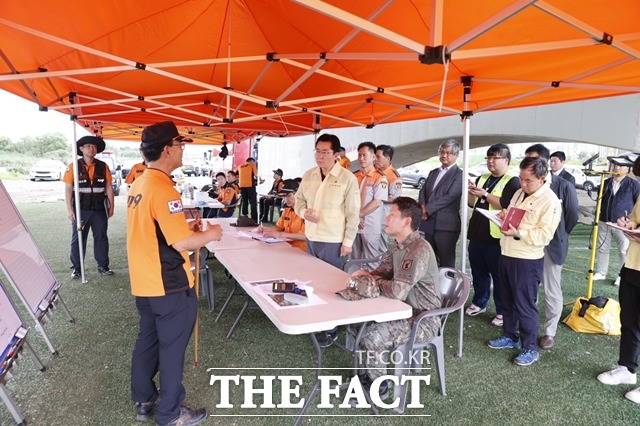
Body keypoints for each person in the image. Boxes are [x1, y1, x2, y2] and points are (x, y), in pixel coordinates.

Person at [127, 120, 223, 426]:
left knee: (147, 341)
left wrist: (186, 229)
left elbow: (161, 232)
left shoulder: (139, 183)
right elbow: (181, 242)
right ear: (167, 150)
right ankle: (169, 413)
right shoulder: (162, 187)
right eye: (180, 145)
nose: (183, 150)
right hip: (169, 285)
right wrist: (212, 234)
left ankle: (144, 398)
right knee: (171, 349)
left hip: (145, 282)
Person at [340, 197, 440, 399]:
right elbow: (379, 272)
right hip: (399, 310)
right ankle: (366, 374)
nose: (386, 218)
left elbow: (396, 291)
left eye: (391, 215)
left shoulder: (417, 249)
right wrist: (368, 278)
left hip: (423, 319)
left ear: (406, 221)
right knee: (355, 325)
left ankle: (380, 386)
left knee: (372, 335)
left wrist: (372, 282)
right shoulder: (398, 245)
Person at [487, 157, 561, 366]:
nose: (523, 184)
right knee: (506, 298)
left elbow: (544, 236)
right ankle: (510, 336)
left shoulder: (550, 201)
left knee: (525, 304)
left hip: (527, 259)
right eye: (521, 179)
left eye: (528, 180)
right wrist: (504, 215)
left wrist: (518, 231)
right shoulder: (520, 193)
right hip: (507, 252)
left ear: (542, 178)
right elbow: (513, 216)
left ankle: (530, 347)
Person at [295, 133, 360, 347]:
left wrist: (348, 241)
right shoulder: (309, 175)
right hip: (312, 236)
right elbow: (298, 202)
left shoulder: (347, 178)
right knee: (311, 281)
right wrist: (304, 212)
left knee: (331, 285)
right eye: (318, 151)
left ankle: (330, 328)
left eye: (325, 152)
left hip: (333, 240)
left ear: (337, 154)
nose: (320, 156)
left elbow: (353, 213)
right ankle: (316, 319)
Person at [524, 144, 579, 350]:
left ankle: (549, 332)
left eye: (534, 161)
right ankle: (528, 326)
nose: (529, 165)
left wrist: (559, 234)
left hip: (553, 245)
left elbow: (572, 216)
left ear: (546, 163)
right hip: (528, 243)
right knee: (529, 287)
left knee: (551, 289)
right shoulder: (525, 185)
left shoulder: (564, 185)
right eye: (527, 160)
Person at [596, 156, 640, 404]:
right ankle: (627, 369)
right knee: (630, 320)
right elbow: (635, 217)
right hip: (634, 265)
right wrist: (629, 223)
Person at [465, 144, 520, 326]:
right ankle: (479, 302)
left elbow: (506, 205)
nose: (490, 162)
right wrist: (471, 191)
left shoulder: (513, 181)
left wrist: (485, 194)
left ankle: (502, 311)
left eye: (494, 158)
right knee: (478, 272)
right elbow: (471, 203)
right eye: (488, 158)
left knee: (499, 276)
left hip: (497, 237)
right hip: (476, 233)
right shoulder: (482, 178)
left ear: (506, 160)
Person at [63, 135, 115, 278]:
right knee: (78, 238)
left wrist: (111, 206)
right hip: (81, 210)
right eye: (88, 146)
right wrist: (69, 209)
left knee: (101, 237)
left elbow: (109, 186)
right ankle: (77, 269)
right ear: (81, 149)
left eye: (94, 146)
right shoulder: (73, 166)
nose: (91, 149)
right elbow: (68, 189)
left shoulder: (103, 166)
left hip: (99, 210)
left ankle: (103, 266)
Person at [593, 160, 640, 285]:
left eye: (620, 165)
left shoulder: (633, 184)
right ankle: (601, 272)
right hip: (604, 220)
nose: (617, 167)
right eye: (614, 165)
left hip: (623, 224)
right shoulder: (605, 183)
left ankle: (621, 275)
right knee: (602, 248)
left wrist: (631, 221)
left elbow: (637, 204)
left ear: (628, 169)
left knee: (623, 250)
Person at [418, 139, 463, 267]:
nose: (444, 155)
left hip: (446, 225)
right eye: (442, 152)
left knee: (446, 261)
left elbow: (450, 196)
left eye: (448, 153)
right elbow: (422, 192)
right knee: (428, 260)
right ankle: (432, 286)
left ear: (456, 155)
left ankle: (447, 287)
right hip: (428, 222)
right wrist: (422, 207)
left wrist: (427, 209)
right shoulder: (433, 172)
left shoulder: (459, 175)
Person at [352, 141, 389, 267]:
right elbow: (348, 199)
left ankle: (372, 286)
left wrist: (359, 215)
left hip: (370, 226)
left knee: (371, 262)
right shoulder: (354, 176)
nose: (361, 158)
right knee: (353, 260)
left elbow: (377, 202)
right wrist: (355, 217)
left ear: (373, 157)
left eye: (365, 155)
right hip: (354, 225)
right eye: (359, 155)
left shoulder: (380, 177)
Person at [257, 179, 306, 251]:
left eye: (289, 195)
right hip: (285, 246)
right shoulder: (287, 210)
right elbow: (279, 227)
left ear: (298, 194)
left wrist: (280, 235)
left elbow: (305, 236)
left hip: (301, 250)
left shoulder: (305, 212)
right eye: (284, 196)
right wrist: (267, 230)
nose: (286, 199)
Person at [238, 157, 259, 221]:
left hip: (242, 186)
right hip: (250, 186)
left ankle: (245, 216)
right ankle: (254, 218)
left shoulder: (240, 166)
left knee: (245, 202)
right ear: (252, 161)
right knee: (253, 202)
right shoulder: (252, 165)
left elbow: (235, 173)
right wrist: (260, 180)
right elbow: (256, 174)